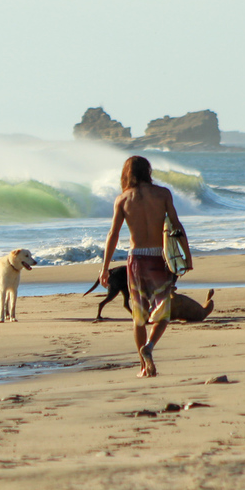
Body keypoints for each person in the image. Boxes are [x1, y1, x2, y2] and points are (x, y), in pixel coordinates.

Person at [100, 156, 192, 377]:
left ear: (127, 173)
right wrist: (187, 256)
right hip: (159, 259)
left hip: (136, 259)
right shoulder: (163, 194)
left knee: (139, 316)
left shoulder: (122, 199)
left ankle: (144, 366)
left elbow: (113, 234)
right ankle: (149, 346)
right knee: (163, 312)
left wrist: (104, 268)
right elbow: (176, 226)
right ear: (148, 171)